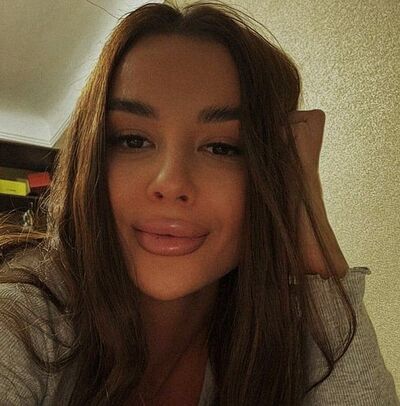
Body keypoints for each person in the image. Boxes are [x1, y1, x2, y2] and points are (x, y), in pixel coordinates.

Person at [0, 1, 398, 405]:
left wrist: (307, 209)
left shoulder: (274, 336)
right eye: (133, 140)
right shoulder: (22, 319)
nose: (171, 183)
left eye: (222, 147)